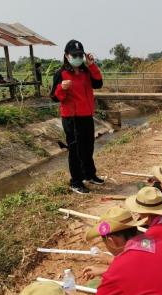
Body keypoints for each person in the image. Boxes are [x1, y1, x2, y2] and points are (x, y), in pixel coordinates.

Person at [84, 207, 162, 295]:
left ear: (111, 241)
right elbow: (141, 271)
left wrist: (110, 274)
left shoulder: (119, 270)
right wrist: (107, 271)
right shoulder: (158, 243)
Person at [50, 39, 104, 194]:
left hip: (87, 115)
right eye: (74, 55)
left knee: (88, 147)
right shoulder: (61, 73)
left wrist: (92, 65)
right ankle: (76, 182)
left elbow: (98, 84)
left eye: (80, 54)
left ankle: (89, 174)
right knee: (75, 150)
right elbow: (54, 96)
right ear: (67, 55)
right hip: (71, 118)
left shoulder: (86, 71)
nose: (78, 57)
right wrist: (62, 88)